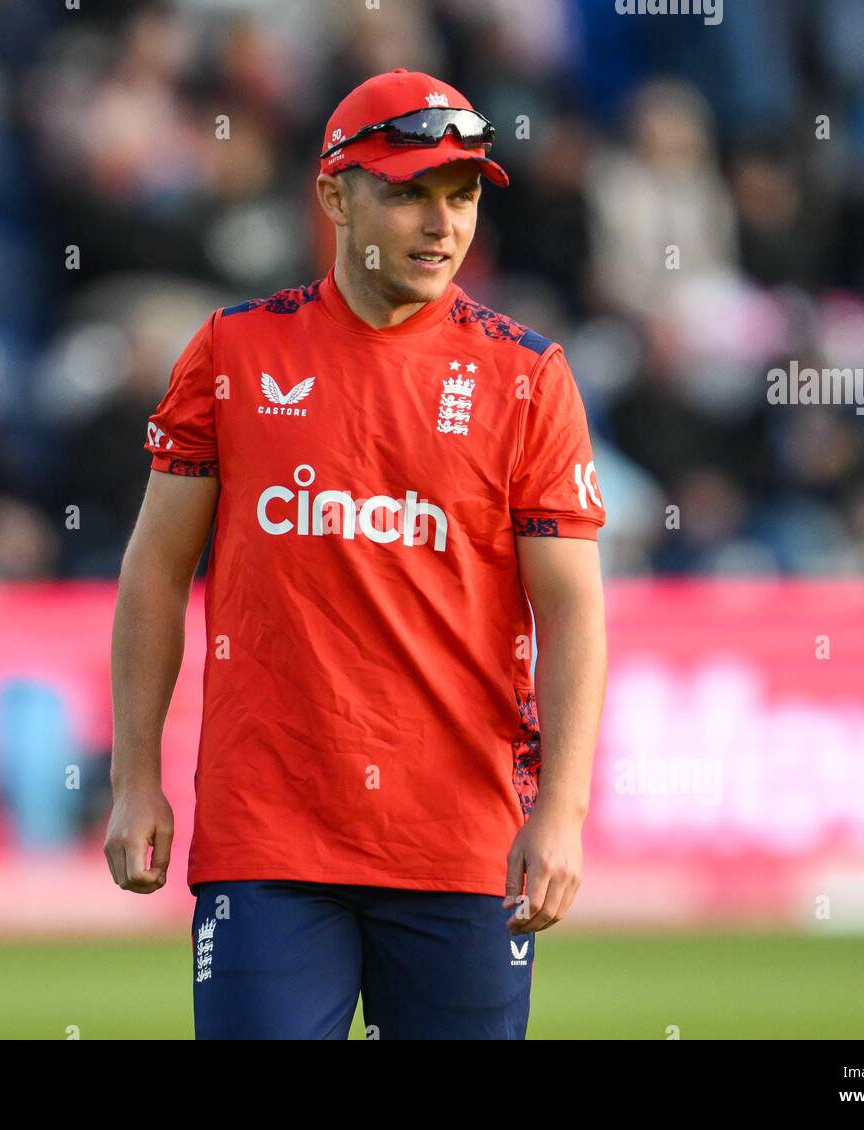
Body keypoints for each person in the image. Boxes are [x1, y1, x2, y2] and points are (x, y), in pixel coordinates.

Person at [104, 68, 608, 1040]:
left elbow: (573, 609)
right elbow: (155, 571)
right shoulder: (232, 355)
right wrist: (134, 778)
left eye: (459, 196)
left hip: (462, 839)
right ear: (334, 195)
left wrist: (563, 812)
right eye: (407, 191)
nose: (441, 224)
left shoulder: (525, 377)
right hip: (268, 836)